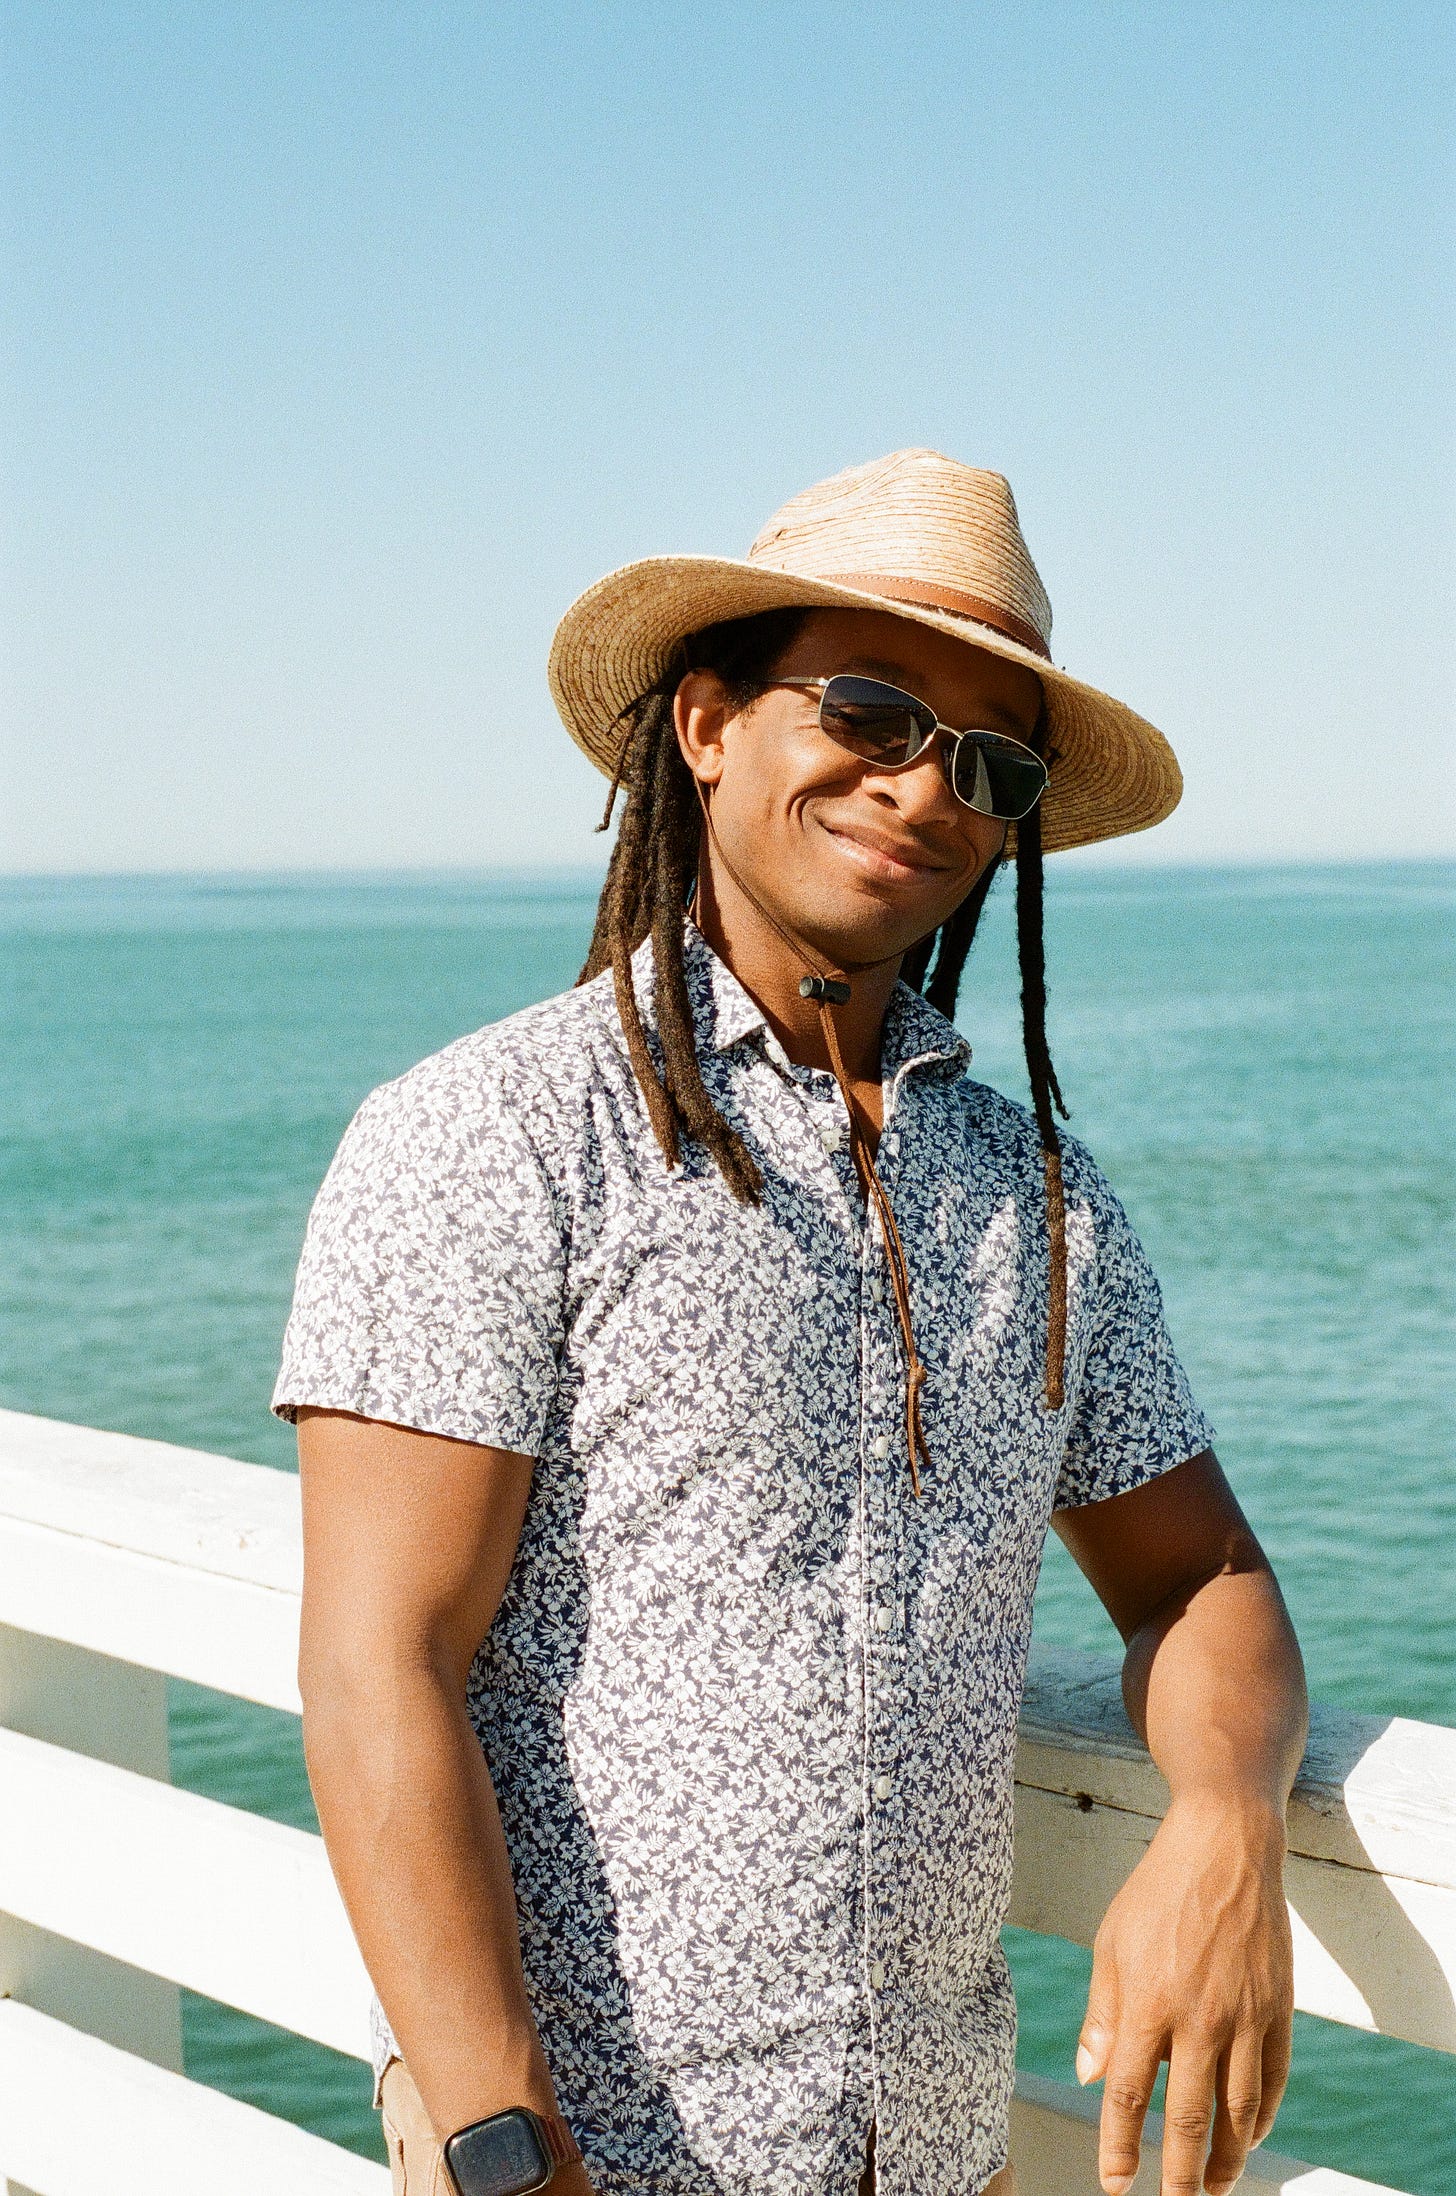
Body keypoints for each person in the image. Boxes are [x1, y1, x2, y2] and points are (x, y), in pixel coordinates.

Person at [275, 448, 1308, 2196]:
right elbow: (383, 1667)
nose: (924, 787)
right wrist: (499, 2139)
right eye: (874, 708)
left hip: (937, 2152)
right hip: (598, 2154)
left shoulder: (1032, 1202)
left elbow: (1198, 1578)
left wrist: (1227, 1819)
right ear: (704, 727)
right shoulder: (498, 1135)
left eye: (987, 761)